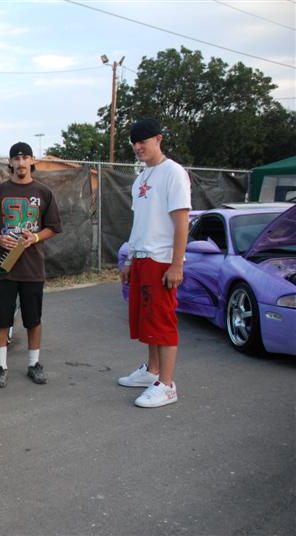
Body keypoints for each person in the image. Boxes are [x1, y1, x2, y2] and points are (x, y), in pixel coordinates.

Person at [118, 118, 191, 408]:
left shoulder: (173, 172)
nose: (138, 147)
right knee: (147, 319)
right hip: (142, 259)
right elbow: (140, 223)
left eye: (143, 141)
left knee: (162, 321)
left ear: (158, 139)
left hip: (162, 260)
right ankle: (152, 371)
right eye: (134, 143)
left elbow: (182, 221)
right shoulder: (141, 178)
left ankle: (167, 385)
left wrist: (177, 264)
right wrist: (130, 259)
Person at [0, 142, 62, 388]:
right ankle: (1, 367)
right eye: (16, 158)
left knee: (33, 319)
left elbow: (53, 227)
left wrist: (35, 237)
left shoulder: (44, 193)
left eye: (25, 157)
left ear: (32, 160)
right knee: (2, 319)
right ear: (10, 163)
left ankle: (34, 364)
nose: (21, 162)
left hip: (32, 268)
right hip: (4, 267)